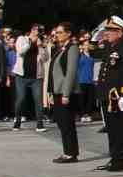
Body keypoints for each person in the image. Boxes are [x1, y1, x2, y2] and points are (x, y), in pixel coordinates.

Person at [95, 17, 123, 172]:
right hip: (108, 95)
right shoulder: (110, 47)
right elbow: (95, 48)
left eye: (110, 30)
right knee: (111, 128)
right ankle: (114, 157)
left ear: (120, 32)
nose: (106, 33)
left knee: (121, 128)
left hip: (118, 96)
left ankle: (120, 159)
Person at [45, 22, 82, 164]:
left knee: (67, 123)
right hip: (57, 91)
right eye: (56, 33)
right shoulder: (60, 49)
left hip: (66, 92)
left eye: (60, 32)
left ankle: (71, 153)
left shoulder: (72, 49)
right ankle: (67, 151)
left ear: (68, 33)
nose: (57, 35)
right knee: (62, 123)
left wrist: (66, 93)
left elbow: (70, 72)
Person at [11, 25, 46, 132]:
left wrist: (40, 46)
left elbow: (45, 58)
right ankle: (17, 121)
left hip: (36, 76)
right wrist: (31, 42)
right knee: (21, 98)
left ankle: (40, 123)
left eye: (40, 31)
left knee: (38, 100)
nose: (39, 32)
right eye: (37, 30)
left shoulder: (41, 42)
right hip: (22, 76)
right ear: (32, 30)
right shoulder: (22, 39)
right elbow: (20, 52)